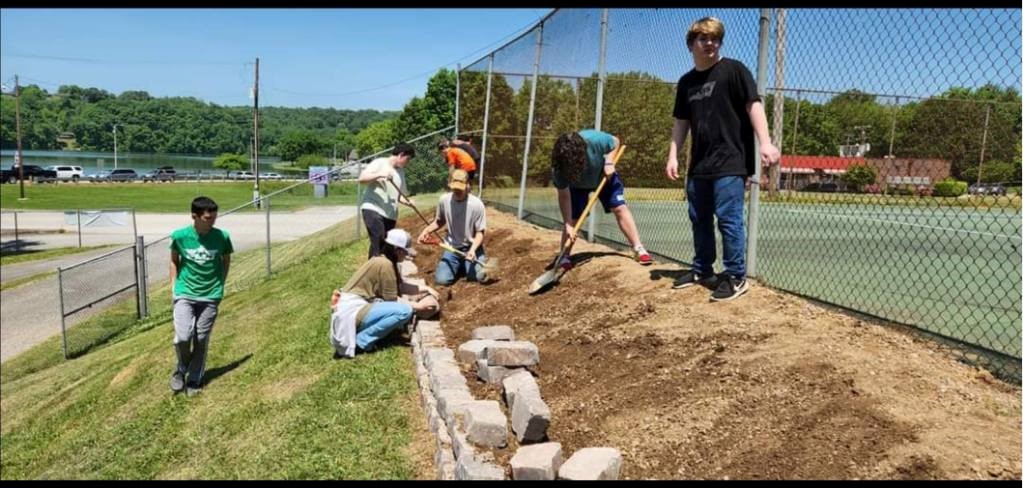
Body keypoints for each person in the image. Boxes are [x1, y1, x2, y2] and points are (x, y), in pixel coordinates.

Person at [665, 17, 781, 301]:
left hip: (731, 160)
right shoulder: (686, 82)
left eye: (715, 39)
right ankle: (703, 270)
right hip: (700, 164)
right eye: (704, 39)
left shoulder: (734, 70)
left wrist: (765, 142)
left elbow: (753, 105)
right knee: (699, 218)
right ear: (692, 44)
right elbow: (681, 122)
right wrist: (673, 156)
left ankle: (735, 276)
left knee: (728, 220)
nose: (710, 44)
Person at [550, 129, 653, 270]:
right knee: (573, 219)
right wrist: (568, 224)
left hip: (604, 176)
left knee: (619, 207)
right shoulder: (559, 168)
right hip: (577, 185)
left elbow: (616, 141)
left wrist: (609, 162)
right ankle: (564, 255)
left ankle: (638, 248)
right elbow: (564, 196)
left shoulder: (595, 139)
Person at [330, 229, 439, 358]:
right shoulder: (385, 265)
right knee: (404, 311)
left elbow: (400, 287)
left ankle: (362, 336)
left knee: (403, 309)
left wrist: (425, 288)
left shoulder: (383, 260)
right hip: (352, 312)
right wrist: (418, 306)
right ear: (397, 250)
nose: (406, 256)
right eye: (405, 252)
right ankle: (361, 342)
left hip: (351, 310)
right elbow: (392, 300)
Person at [168, 196, 234, 396]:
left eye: (214, 217)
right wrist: (174, 287)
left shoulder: (222, 237)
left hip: (210, 295)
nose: (212, 221)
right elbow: (173, 260)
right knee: (183, 337)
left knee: (201, 337)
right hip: (185, 293)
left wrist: (220, 284)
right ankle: (181, 368)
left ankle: (194, 379)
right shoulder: (180, 236)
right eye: (208, 218)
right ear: (194, 216)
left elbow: (226, 259)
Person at [416, 169, 489, 285]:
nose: (457, 191)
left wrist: (473, 249)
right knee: (442, 280)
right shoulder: (444, 200)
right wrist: (426, 230)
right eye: (454, 188)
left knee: (478, 277)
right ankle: (461, 265)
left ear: (468, 185)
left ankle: (466, 264)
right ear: (450, 185)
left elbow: (480, 232)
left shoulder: (476, 204)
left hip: (472, 247)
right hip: (452, 248)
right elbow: (439, 221)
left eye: (460, 188)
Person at [358, 143, 417, 258]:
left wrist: (408, 202)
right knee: (379, 237)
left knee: (383, 246)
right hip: (373, 208)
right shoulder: (380, 163)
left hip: (390, 215)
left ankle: (375, 269)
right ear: (401, 155)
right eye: (407, 159)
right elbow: (362, 179)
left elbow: (399, 196)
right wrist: (380, 174)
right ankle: (376, 270)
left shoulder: (401, 172)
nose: (407, 163)